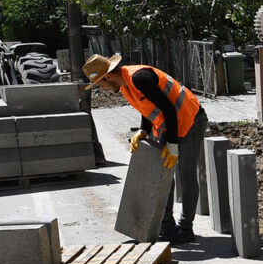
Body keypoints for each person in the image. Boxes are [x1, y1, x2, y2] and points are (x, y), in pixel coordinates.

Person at [83, 53, 208, 244]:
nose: (104, 88)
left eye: (101, 84)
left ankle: (185, 228)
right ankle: (166, 226)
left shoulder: (140, 78)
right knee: (163, 173)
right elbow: (147, 108)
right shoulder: (124, 85)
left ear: (108, 76)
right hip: (169, 124)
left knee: (186, 174)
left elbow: (169, 109)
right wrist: (144, 130)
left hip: (190, 119)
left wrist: (172, 145)